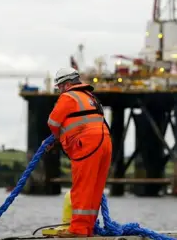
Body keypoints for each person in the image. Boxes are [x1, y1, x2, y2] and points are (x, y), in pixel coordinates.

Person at [45, 67, 112, 238]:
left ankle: (78, 230)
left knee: (81, 188)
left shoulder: (68, 97)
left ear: (67, 84)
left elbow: (53, 122)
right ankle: (87, 228)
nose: (59, 90)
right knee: (95, 189)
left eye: (59, 86)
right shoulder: (90, 97)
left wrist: (56, 138)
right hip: (105, 143)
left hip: (87, 145)